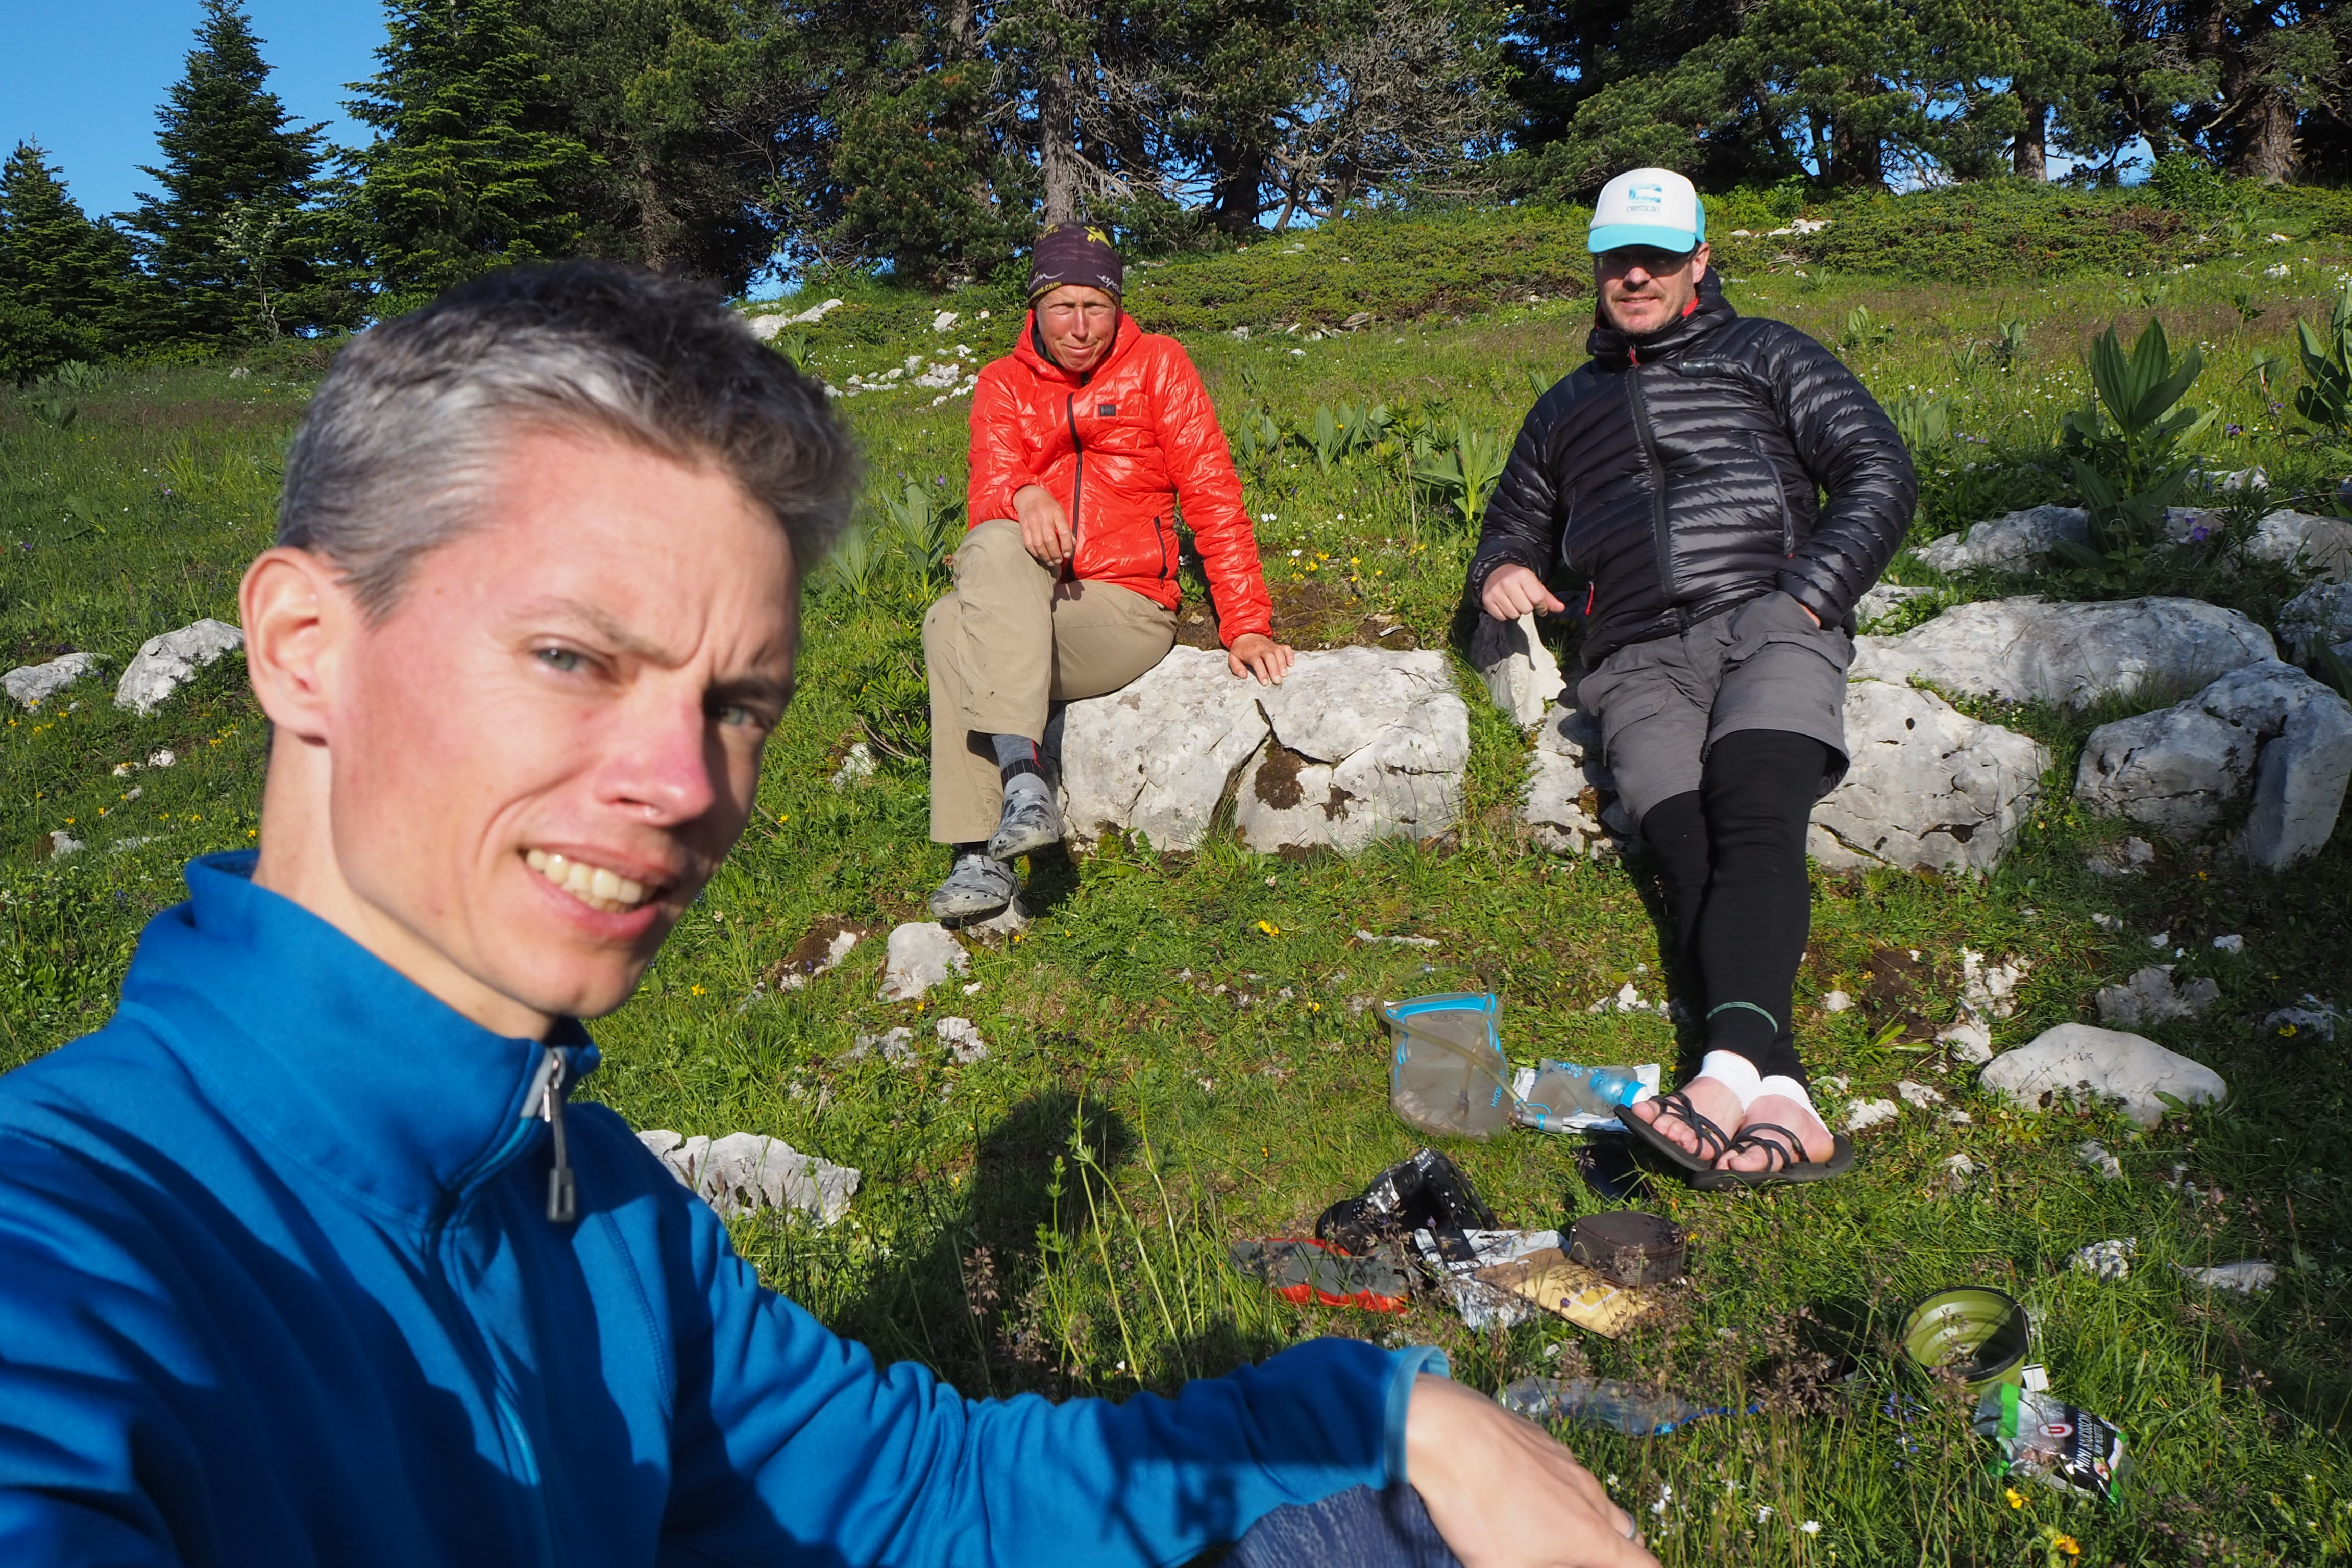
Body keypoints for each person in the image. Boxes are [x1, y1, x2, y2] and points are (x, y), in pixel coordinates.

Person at [0, 261, 1655, 1568]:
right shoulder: (73, 1251)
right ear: (303, 645)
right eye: (573, 657)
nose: (682, 781)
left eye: (740, 704)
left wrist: (1380, 1411)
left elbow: (931, 1492)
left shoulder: (605, 1215)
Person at [1469, 168, 1916, 1187]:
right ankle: (1786, 1101)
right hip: (1630, 659)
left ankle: (1715, 1083)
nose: (1636, 275)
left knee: (1758, 812)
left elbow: (1878, 468)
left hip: (1767, 622)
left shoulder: (1769, 352)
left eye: (1659, 259)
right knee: (1691, 847)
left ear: (1700, 263)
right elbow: (1510, 531)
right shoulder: (1561, 410)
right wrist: (1500, 572)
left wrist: (1808, 594)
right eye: (1618, 258)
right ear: (1594, 264)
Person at [926, 222, 1293, 919]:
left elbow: (1211, 491)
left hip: (1123, 610)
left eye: (1096, 306)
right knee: (960, 598)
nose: (1081, 325)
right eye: (1064, 306)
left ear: (1118, 307)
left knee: (953, 627)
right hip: (1029, 602)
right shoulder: (1002, 384)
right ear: (1035, 306)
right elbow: (987, 492)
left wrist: (1246, 623)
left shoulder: (1159, 364)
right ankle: (1004, 821)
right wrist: (1024, 494)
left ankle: (992, 829)